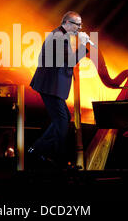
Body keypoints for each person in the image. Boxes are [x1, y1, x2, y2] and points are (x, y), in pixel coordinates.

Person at [28, 11, 90, 168]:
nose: (80, 28)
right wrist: (84, 48)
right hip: (50, 86)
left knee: (63, 118)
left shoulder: (61, 36)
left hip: (52, 86)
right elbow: (70, 61)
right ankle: (56, 160)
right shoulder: (58, 36)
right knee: (62, 120)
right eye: (77, 25)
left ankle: (37, 149)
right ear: (68, 23)